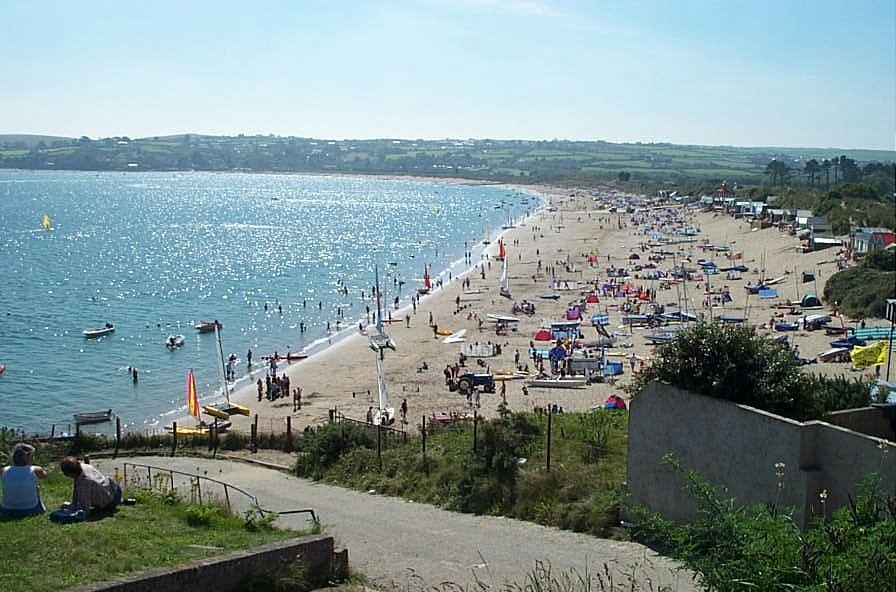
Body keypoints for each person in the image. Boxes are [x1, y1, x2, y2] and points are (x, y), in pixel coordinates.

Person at [0, 443, 47, 517]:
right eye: (33, 456)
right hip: (31, 508)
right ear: (28, 457)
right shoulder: (36, 469)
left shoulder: (3, 470)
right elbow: (44, 476)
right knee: (36, 487)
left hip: (7, 509)